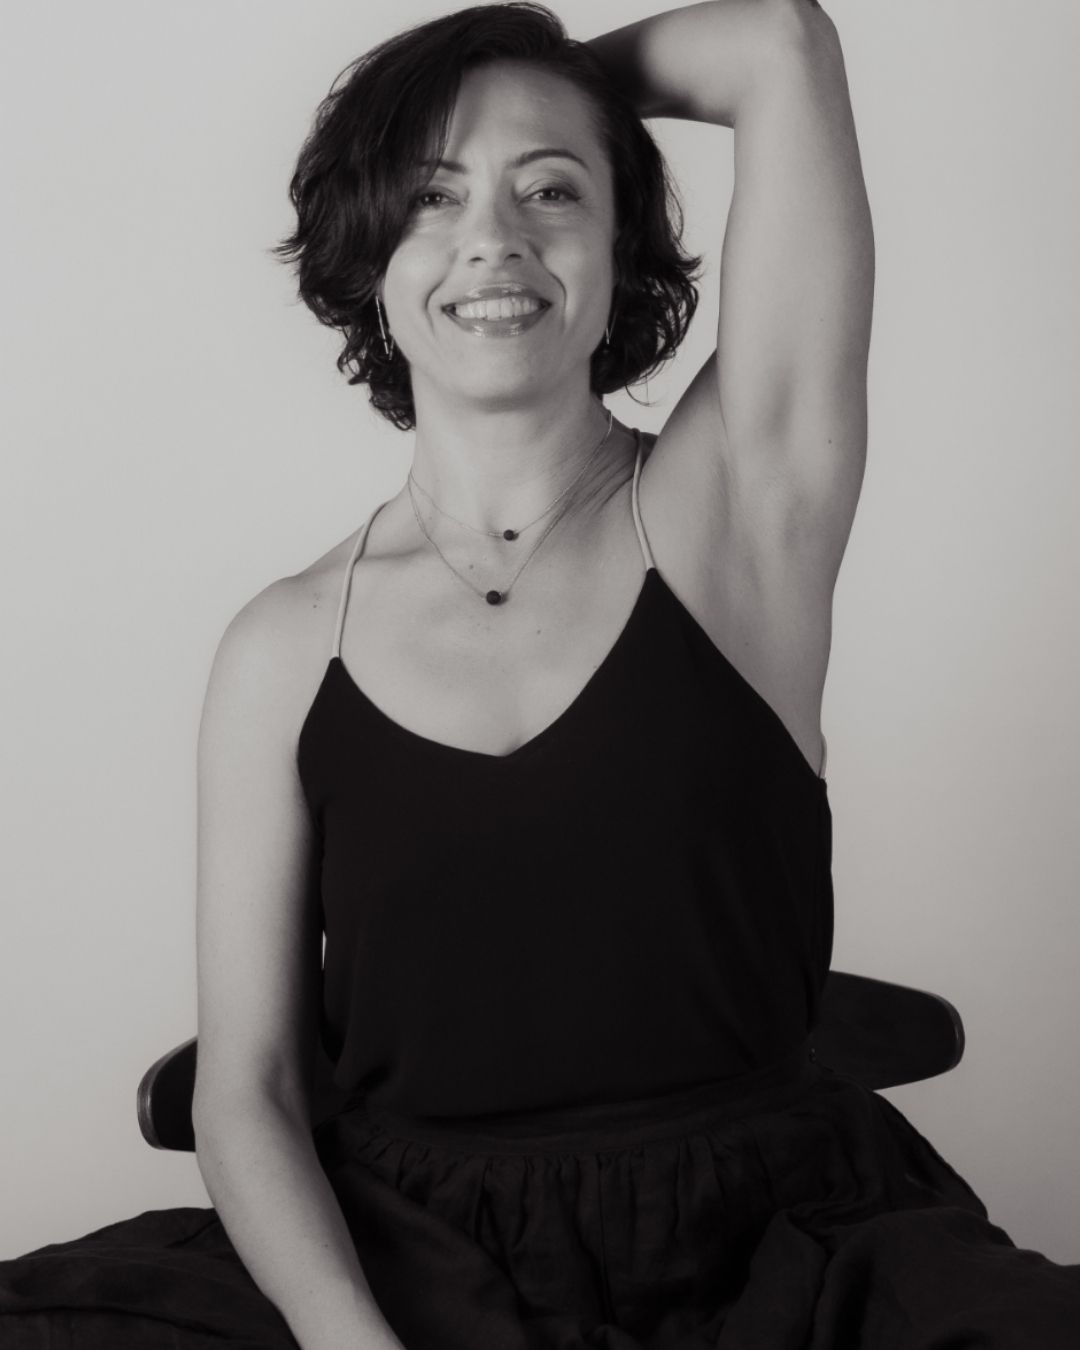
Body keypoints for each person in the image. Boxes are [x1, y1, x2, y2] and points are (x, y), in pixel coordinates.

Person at [2, 1, 1079, 1347]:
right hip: (405, 1257)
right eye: (431, 195)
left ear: (623, 246)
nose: (493, 241)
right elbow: (251, 1089)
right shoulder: (280, 649)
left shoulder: (742, 512)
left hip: (779, 1254)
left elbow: (781, 49)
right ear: (370, 256)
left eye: (552, 190)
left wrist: (556, 81)